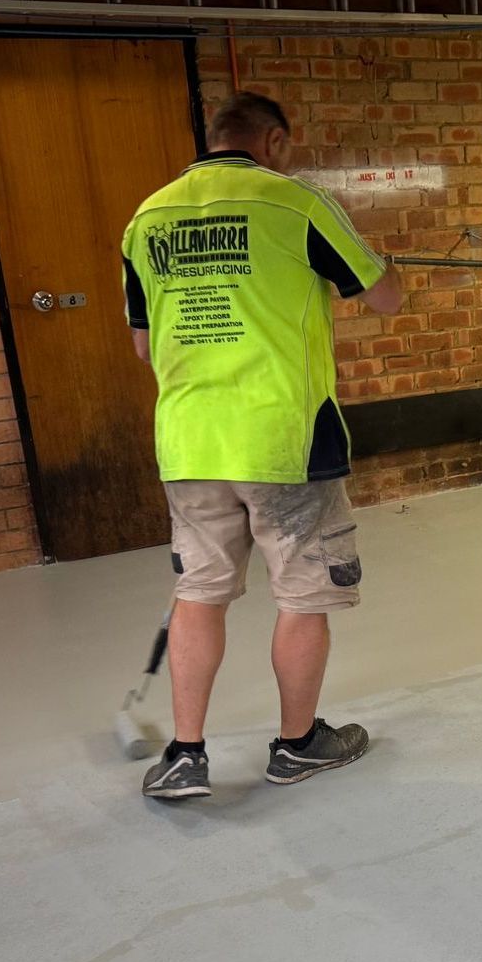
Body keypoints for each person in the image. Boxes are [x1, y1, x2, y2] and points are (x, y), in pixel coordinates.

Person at [121, 91, 402, 800]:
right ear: (274, 141)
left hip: (189, 442)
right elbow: (384, 295)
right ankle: (299, 744)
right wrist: (384, 259)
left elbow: (143, 342)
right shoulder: (294, 203)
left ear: (214, 139)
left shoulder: (146, 218)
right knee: (303, 593)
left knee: (200, 591)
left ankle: (185, 755)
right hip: (284, 440)